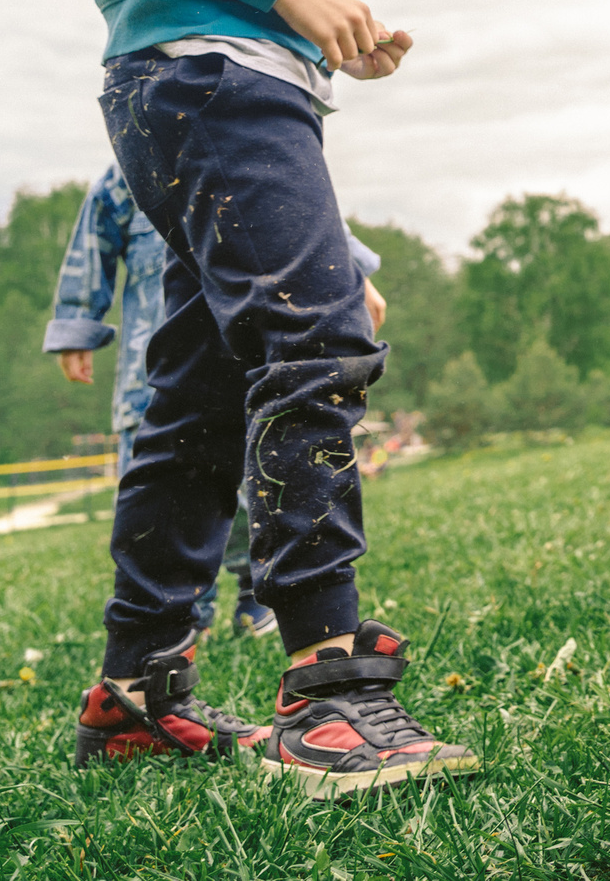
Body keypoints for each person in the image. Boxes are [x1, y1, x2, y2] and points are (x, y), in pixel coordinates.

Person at [62, 0, 476, 793]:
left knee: (197, 390)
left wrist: (319, 24)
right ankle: (328, 687)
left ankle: (137, 690)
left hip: (220, 78)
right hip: (210, 81)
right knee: (318, 341)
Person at [42, 164, 389, 638]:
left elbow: (302, 201)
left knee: (252, 481)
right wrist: (77, 324)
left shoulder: (245, 145)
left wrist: (351, 270)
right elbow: (93, 236)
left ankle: (255, 588)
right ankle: (180, 615)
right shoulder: (131, 167)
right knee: (159, 491)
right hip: (151, 371)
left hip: (241, 358)